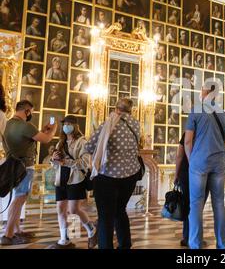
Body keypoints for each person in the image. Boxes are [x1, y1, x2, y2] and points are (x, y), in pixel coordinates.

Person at [85, 98, 143, 249]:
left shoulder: (109, 123)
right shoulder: (136, 124)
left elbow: (90, 146)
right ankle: (125, 245)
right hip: (130, 175)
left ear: (116, 109)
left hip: (108, 175)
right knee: (120, 210)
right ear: (131, 110)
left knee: (105, 216)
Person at [1, 100, 57, 246]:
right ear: (26, 111)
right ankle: (8, 234)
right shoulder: (26, 125)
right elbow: (47, 139)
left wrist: (42, 130)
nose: (31, 114)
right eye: (30, 111)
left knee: (18, 200)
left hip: (13, 166)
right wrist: (53, 128)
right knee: (19, 200)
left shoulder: (8, 124)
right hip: (24, 167)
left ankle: (16, 230)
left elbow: (27, 139)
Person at [184, 81, 225, 249]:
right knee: (219, 203)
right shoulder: (223, 113)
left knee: (196, 203)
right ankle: (222, 244)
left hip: (199, 161)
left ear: (204, 92)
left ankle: (195, 244)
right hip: (218, 163)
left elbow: (188, 141)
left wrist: (192, 161)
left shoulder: (196, 110)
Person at [48, 115, 97, 249]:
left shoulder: (82, 142)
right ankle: (64, 239)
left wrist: (65, 162)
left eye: (69, 124)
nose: (66, 126)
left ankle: (91, 229)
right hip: (61, 179)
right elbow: (55, 164)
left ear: (75, 126)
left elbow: (84, 163)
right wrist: (53, 159)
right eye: (64, 124)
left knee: (73, 209)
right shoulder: (60, 143)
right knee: (60, 209)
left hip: (76, 179)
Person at [174, 132, 209, 248]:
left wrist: (176, 174)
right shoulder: (209, 133)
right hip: (204, 173)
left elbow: (179, 155)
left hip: (187, 173)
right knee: (197, 208)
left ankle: (187, 237)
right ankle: (194, 237)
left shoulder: (188, 133)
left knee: (188, 205)